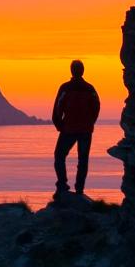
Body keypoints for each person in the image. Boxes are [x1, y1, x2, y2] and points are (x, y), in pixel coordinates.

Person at [50, 59, 100, 194]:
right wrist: (90, 122)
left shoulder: (65, 88)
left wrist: (59, 124)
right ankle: (79, 189)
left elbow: (57, 108)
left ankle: (62, 185)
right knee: (83, 160)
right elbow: (96, 107)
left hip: (69, 129)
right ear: (82, 71)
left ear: (72, 71)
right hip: (85, 130)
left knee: (59, 155)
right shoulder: (90, 89)